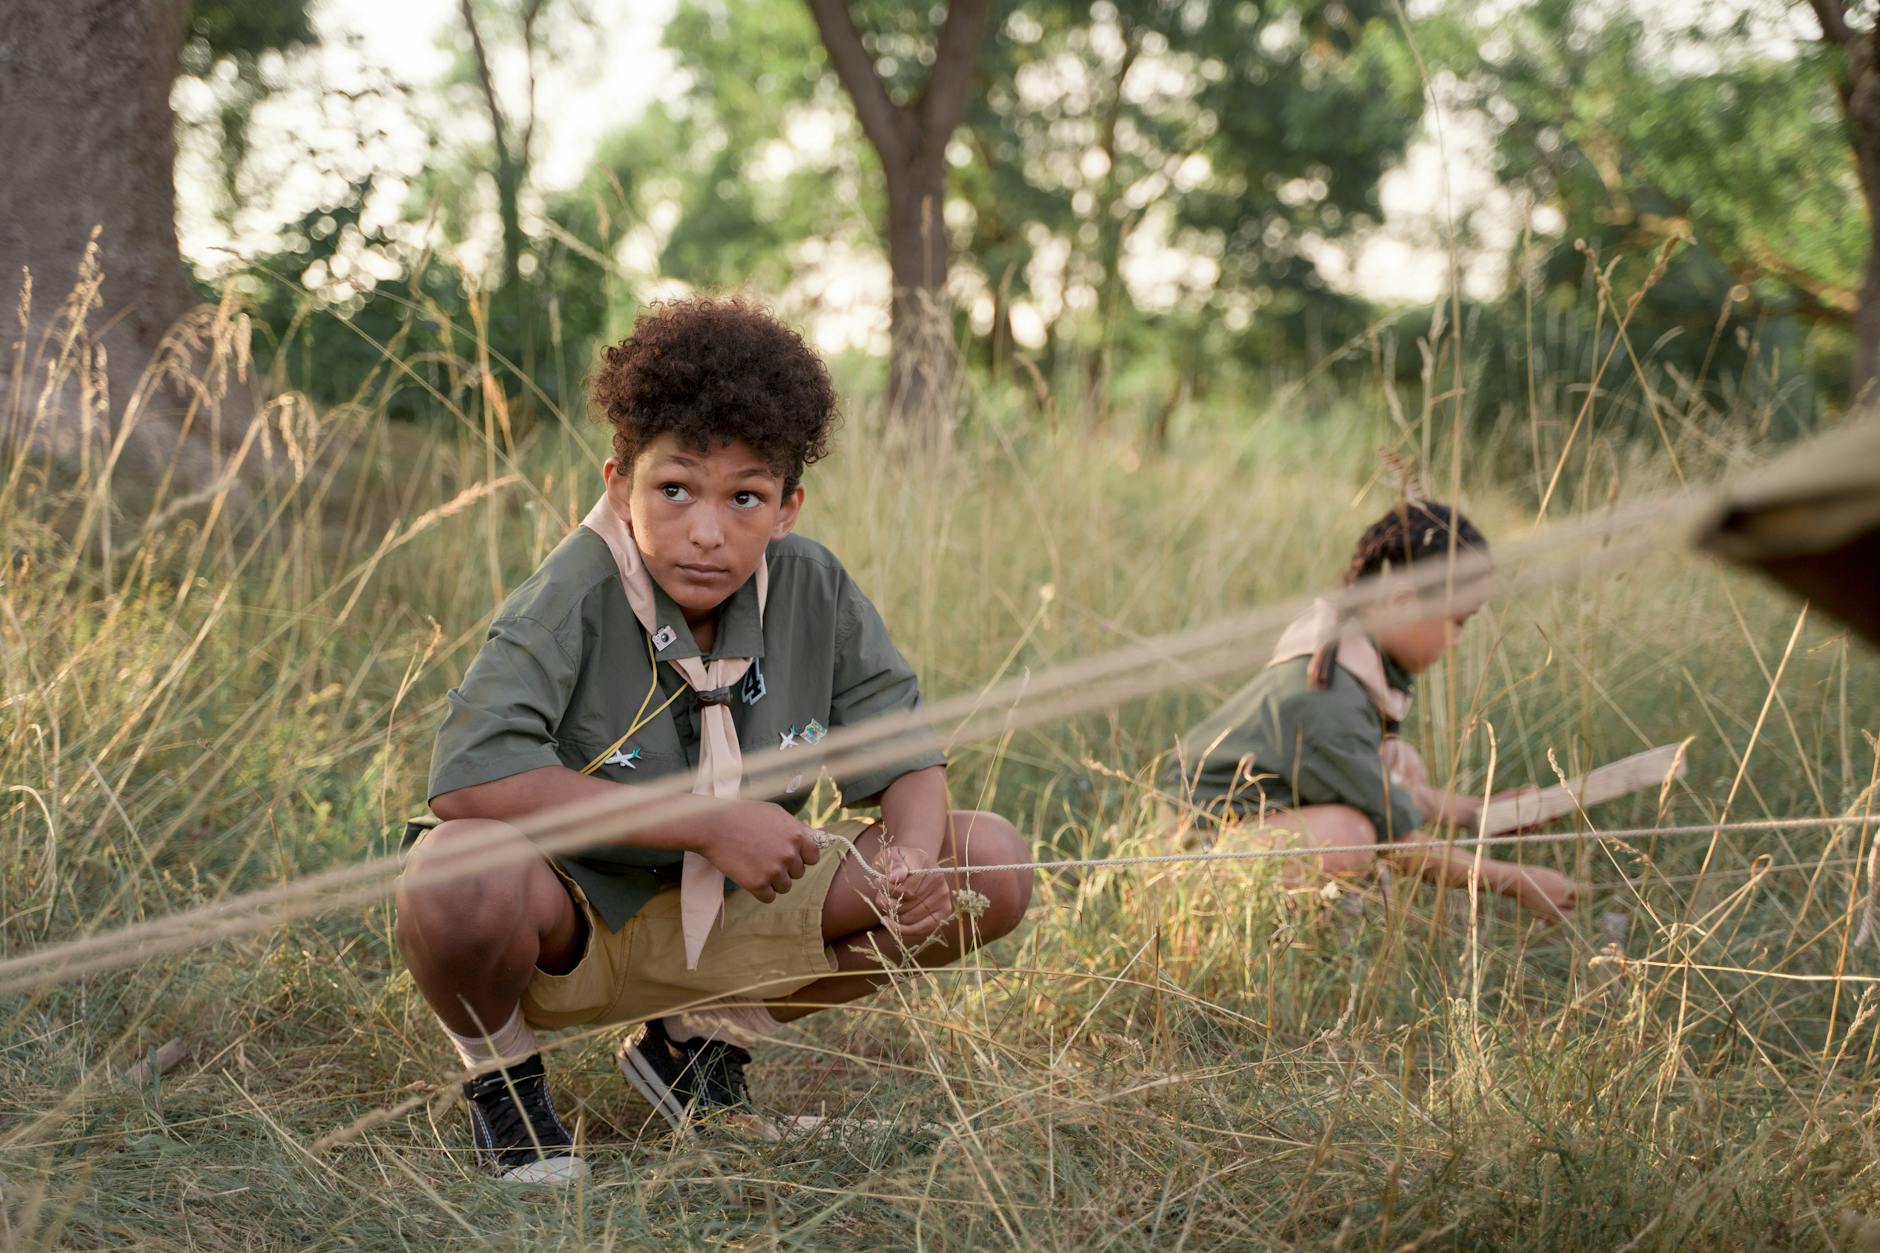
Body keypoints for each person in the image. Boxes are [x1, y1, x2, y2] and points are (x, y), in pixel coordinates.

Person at [396, 296, 1033, 1184]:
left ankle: (693, 1054)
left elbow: (908, 754)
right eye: (675, 488)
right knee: (453, 870)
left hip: (737, 908)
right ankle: (508, 1091)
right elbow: (470, 780)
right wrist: (701, 822)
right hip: (576, 922)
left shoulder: (811, 588)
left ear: (786, 506)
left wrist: (914, 859)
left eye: (745, 496)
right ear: (620, 482)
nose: (707, 528)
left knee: (988, 864)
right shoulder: (573, 592)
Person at [1160, 499, 1582, 922]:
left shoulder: (1352, 653)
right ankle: (1276, 930)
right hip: (1186, 854)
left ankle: (1334, 920)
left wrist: (1478, 812)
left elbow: (1385, 785)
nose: (1455, 639)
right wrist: (1515, 881)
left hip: (1246, 831)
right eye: (1457, 620)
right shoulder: (1330, 699)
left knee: (1400, 762)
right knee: (1350, 837)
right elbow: (1395, 840)